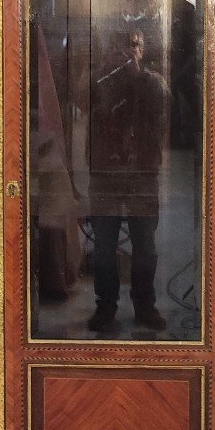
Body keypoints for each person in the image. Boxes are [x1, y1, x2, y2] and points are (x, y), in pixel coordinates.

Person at [87, 28, 169, 332]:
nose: (129, 51)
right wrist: (110, 74)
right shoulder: (99, 81)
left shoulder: (153, 83)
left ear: (143, 51)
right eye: (123, 46)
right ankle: (105, 307)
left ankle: (145, 305)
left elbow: (162, 111)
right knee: (104, 245)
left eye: (135, 46)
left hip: (142, 174)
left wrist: (136, 77)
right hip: (105, 172)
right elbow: (83, 105)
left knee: (145, 244)